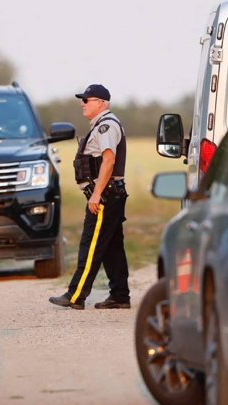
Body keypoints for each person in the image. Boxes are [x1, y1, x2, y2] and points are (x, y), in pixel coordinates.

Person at [49, 84, 130, 310]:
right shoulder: (102, 125)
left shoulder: (106, 126)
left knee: (91, 245)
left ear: (102, 103)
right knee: (112, 248)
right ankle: (120, 296)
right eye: (82, 99)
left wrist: (95, 194)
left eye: (88, 99)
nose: (82, 103)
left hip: (104, 196)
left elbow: (108, 160)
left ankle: (76, 296)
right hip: (108, 195)